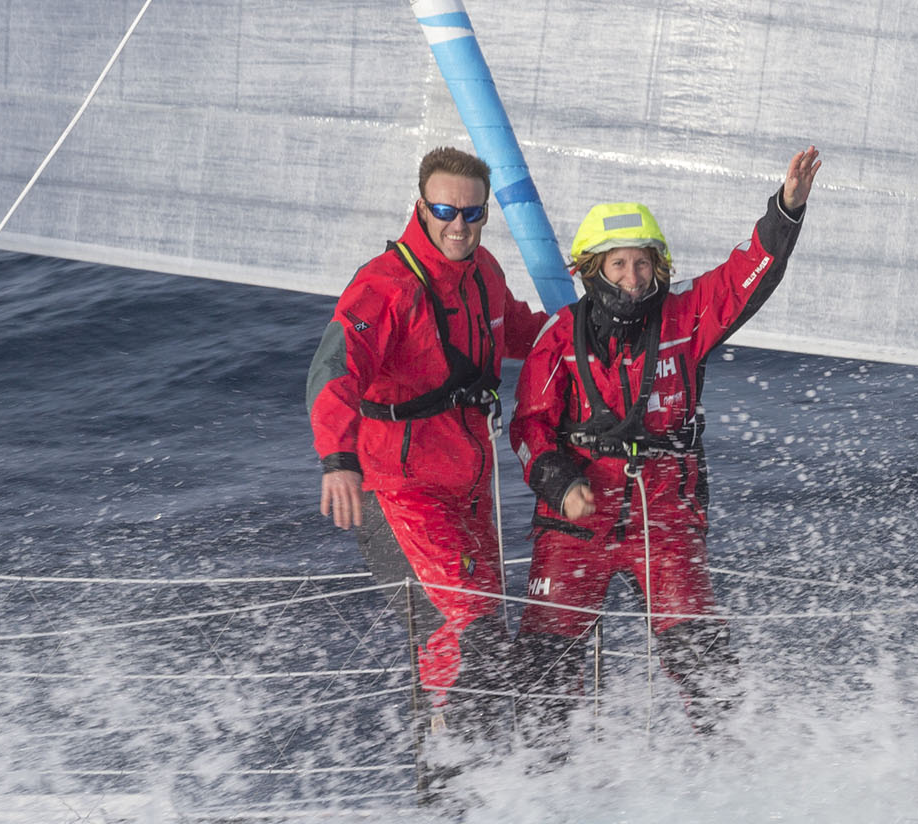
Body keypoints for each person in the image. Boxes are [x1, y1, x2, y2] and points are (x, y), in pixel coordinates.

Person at [509, 147, 823, 736]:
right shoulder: (558, 339)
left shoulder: (684, 321)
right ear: (591, 271)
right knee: (543, 674)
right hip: (576, 524)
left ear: (660, 268)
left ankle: (727, 784)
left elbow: (745, 278)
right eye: (619, 265)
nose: (633, 278)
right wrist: (559, 482)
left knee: (706, 666)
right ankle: (536, 798)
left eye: (643, 265)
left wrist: (788, 209)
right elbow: (527, 427)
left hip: (666, 523)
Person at [306, 146, 546, 751]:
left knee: (487, 639)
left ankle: (482, 792)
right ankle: (448, 785)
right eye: (445, 210)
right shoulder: (383, 288)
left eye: (472, 213)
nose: (458, 225)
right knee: (472, 634)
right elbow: (334, 368)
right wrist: (337, 459)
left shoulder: (484, 272)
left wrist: (597, 320)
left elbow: (520, 331)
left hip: (469, 493)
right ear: (421, 206)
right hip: (400, 494)